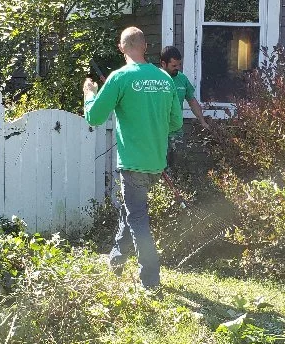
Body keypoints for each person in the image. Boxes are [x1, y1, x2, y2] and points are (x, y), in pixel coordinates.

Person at [83, 27, 182, 289]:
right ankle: (116, 260)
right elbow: (175, 122)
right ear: (145, 47)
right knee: (132, 212)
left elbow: (94, 117)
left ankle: (151, 279)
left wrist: (90, 93)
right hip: (156, 163)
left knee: (137, 218)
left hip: (133, 163)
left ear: (121, 47)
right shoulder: (164, 78)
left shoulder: (119, 78)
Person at [158, 46, 208, 169]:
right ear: (163, 64)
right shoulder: (155, 79)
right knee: (158, 170)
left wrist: (203, 121)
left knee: (178, 167)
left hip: (176, 132)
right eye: (174, 66)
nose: (178, 68)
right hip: (157, 133)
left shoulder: (182, 79)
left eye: (179, 65)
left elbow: (192, 101)